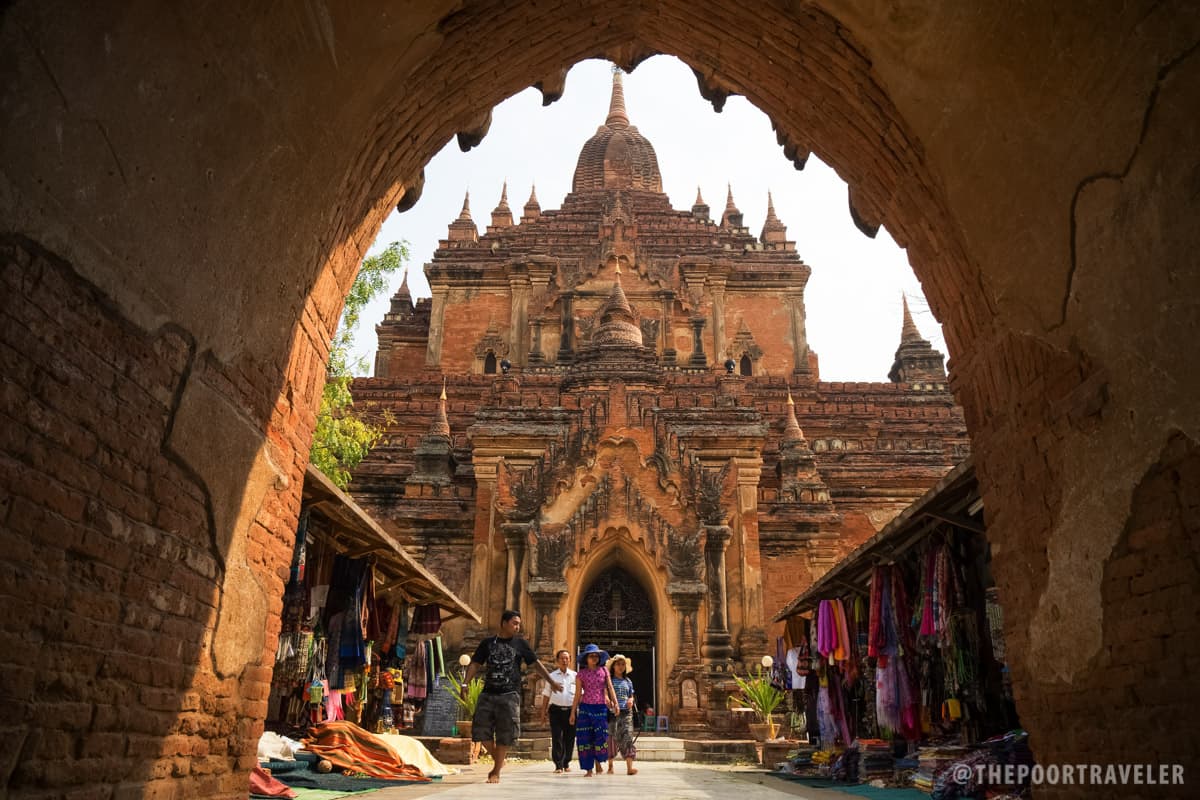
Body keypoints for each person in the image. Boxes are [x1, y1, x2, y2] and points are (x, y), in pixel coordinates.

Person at [464, 610, 562, 783]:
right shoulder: (487, 643)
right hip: (488, 692)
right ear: (503, 623)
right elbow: (475, 663)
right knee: (480, 730)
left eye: (519, 624)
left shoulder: (520, 644)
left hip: (510, 694)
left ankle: (496, 771)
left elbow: (536, 664)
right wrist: (465, 683)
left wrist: (552, 681)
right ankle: (499, 759)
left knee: (506, 733)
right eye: (514, 623)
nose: (517, 627)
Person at [569, 643, 619, 777]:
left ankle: (598, 762)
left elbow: (610, 687)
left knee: (600, 737)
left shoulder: (604, 671)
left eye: (596, 656)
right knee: (585, 738)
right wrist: (573, 712)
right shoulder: (581, 674)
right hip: (585, 707)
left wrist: (616, 703)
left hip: (601, 707)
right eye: (591, 656)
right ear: (586, 658)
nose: (594, 658)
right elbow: (578, 694)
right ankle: (588, 769)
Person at [539, 649, 577, 773]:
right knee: (557, 737)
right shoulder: (552, 676)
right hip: (555, 710)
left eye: (567, 658)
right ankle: (558, 765)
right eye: (562, 658)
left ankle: (566, 763)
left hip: (571, 711)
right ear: (557, 661)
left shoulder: (575, 676)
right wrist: (543, 712)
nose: (564, 660)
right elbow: (546, 694)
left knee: (569, 738)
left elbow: (579, 694)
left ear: (570, 660)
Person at [606, 653, 638, 775]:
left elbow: (631, 695)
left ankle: (629, 768)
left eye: (623, 664)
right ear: (613, 666)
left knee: (628, 737)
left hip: (626, 712)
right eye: (618, 664)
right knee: (612, 738)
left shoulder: (628, 681)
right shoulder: (609, 681)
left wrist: (631, 699)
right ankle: (610, 766)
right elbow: (605, 694)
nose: (621, 667)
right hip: (612, 713)